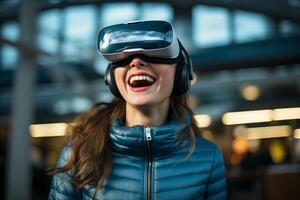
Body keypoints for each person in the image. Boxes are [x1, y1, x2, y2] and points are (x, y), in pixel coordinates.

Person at [48, 20, 227, 200]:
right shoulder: (79, 153)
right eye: (124, 57)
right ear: (112, 77)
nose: (136, 61)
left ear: (181, 73)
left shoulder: (209, 158)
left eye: (155, 53)